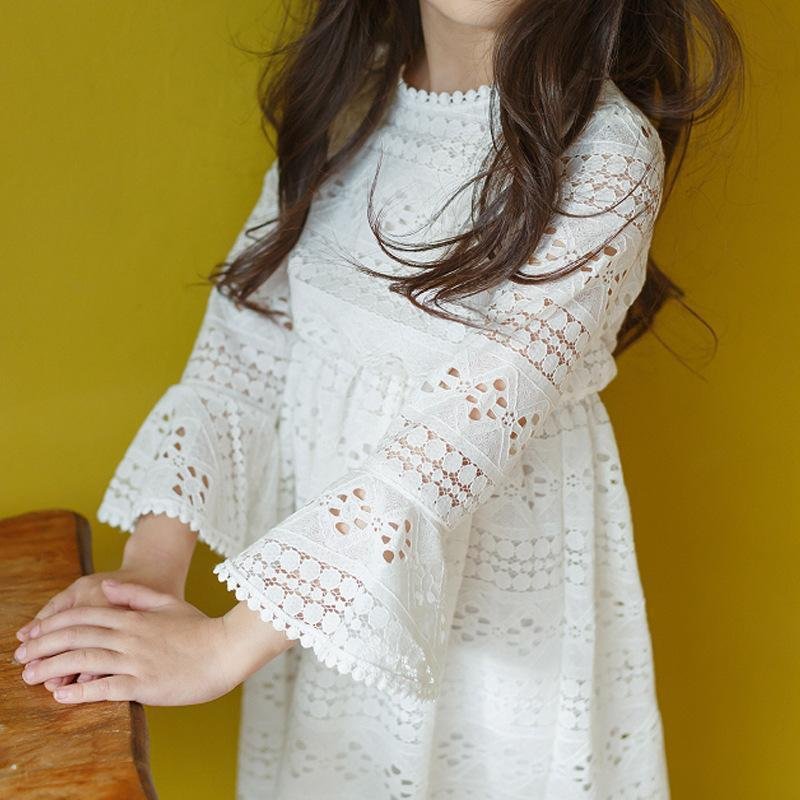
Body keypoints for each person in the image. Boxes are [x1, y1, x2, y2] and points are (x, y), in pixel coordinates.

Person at [13, 1, 742, 797]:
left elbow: (445, 453)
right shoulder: (349, 110)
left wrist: (226, 645)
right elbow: (240, 353)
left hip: (489, 634)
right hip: (310, 619)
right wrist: (150, 575)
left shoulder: (604, 153)